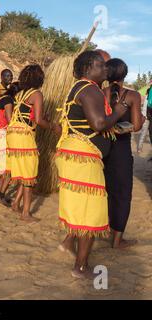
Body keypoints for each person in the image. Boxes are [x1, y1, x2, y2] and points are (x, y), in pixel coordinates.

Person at [56, 51, 128, 279]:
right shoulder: (89, 89)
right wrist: (117, 113)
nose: (106, 70)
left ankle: (68, 245)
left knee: (79, 206)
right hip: (84, 159)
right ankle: (80, 267)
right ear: (88, 68)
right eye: (101, 65)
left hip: (75, 155)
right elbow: (98, 123)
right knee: (90, 212)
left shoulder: (79, 87)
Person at [7, 65, 60, 222]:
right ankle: (26, 213)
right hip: (24, 136)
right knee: (29, 174)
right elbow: (38, 120)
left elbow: (28, 115)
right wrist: (53, 127)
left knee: (24, 172)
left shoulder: (20, 94)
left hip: (13, 134)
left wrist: (43, 118)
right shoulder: (36, 94)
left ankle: (16, 203)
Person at [103, 58, 144, 249]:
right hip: (121, 150)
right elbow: (136, 127)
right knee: (123, 194)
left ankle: (104, 230)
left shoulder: (99, 93)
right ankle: (117, 240)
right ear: (124, 74)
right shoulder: (132, 96)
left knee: (107, 192)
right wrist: (141, 120)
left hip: (102, 148)